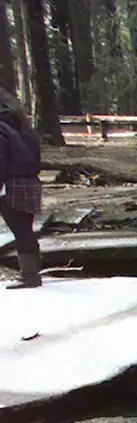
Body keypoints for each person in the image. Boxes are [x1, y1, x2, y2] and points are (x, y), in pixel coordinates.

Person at [0, 89, 43, 289]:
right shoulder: (23, 126)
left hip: (12, 184)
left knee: (20, 230)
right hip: (31, 183)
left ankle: (30, 276)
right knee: (26, 229)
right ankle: (34, 272)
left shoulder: (2, 128)